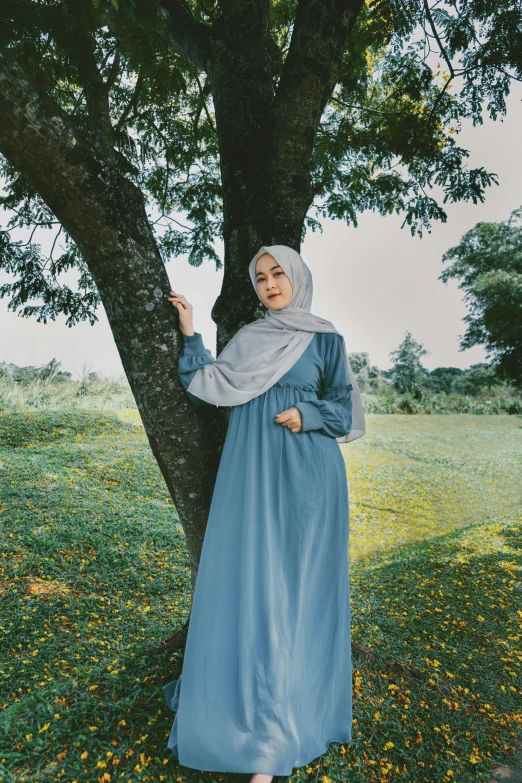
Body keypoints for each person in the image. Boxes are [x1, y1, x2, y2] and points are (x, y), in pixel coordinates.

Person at [163, 244, 366, 782]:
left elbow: (344, 409)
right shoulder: (250, 339)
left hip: (310, 480)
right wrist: (189, 330)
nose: (271, 284)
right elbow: (210, 381)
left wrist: (309, 412)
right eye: (260, 278)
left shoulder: (326, 339)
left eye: (279, 274)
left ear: (297, 277)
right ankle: (260, 731)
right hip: (251, 476)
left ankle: (286, 725)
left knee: (298, 594)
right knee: (256, 588)